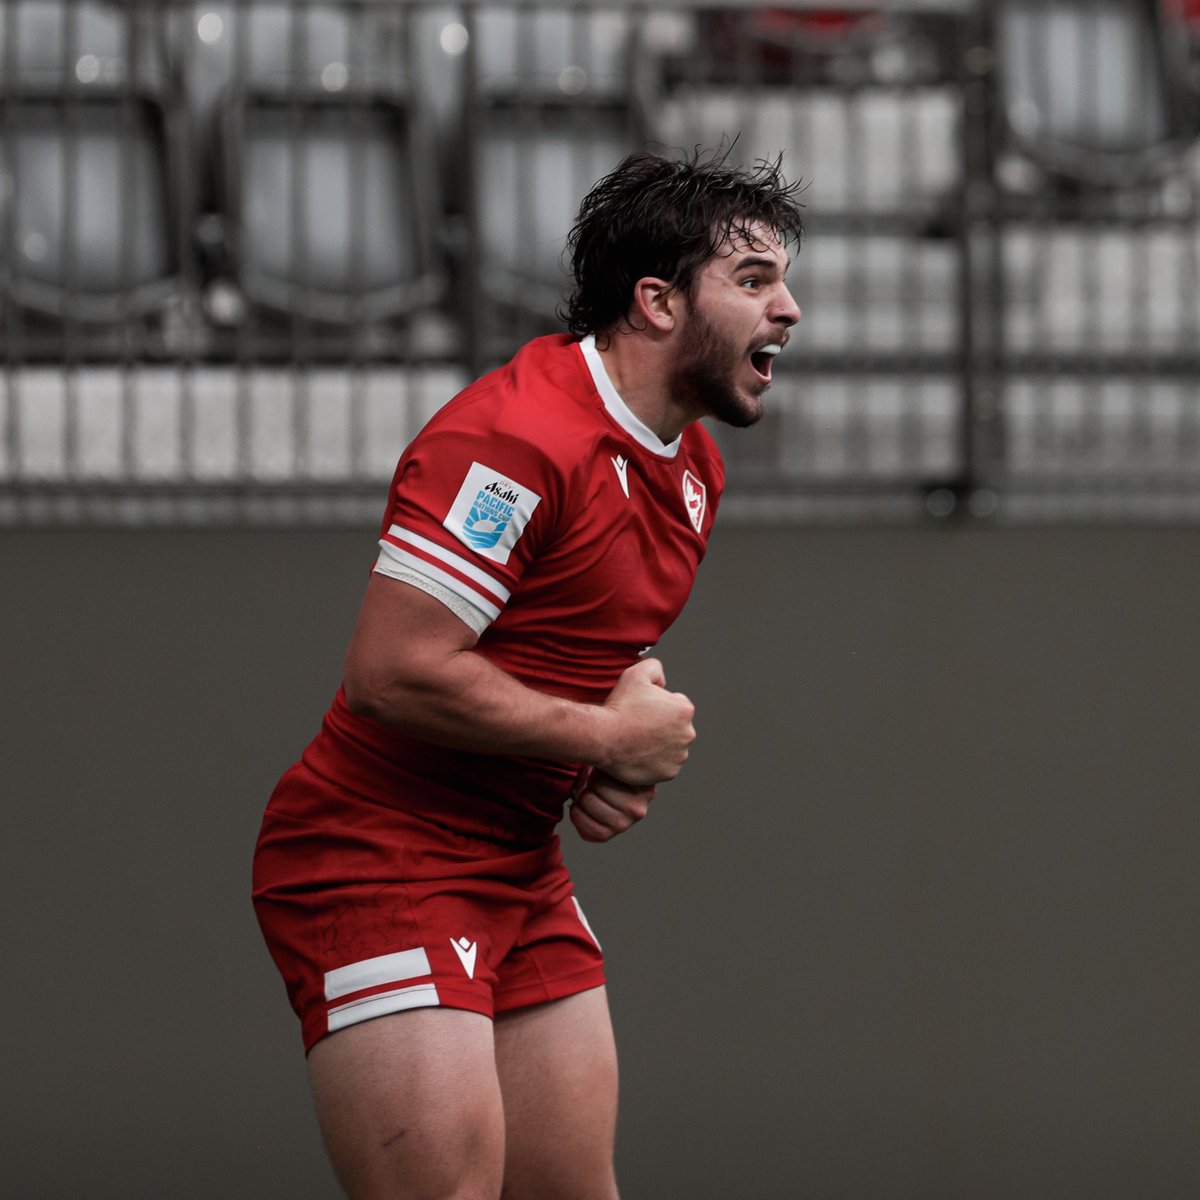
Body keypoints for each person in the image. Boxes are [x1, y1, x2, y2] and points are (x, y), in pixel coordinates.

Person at [252, 146, 804, 1200]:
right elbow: (392, 673)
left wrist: (620, 720)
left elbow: (591, 636)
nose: (789, 308)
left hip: (516, 857)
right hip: (375, 858)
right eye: (753, 280)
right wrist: (603, 739)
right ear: (654, 302)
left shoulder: (691, 466)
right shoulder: (513, 440)